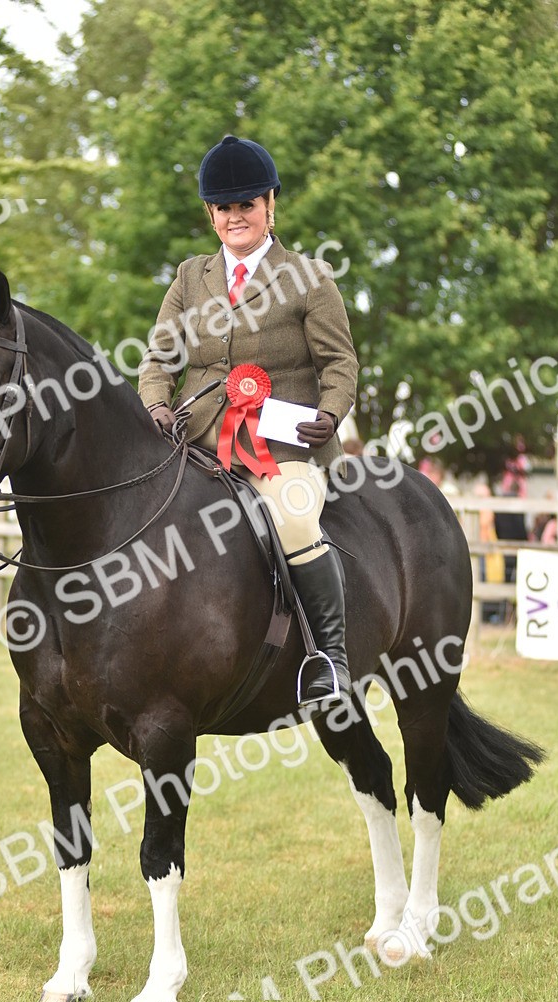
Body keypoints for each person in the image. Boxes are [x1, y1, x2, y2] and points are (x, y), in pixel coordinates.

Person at [138, 134, 358, 705]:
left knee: (292, 519)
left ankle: (328, 660)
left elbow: (340, 363)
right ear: (211, 215)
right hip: (198, 442)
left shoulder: (310, 277)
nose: (237, 217)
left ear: (269, 206)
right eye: (225, 208)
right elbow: (159, 358)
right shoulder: (191, 278)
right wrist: (158, 404)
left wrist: (330, 415)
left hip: (284, 446)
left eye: (247, 205)